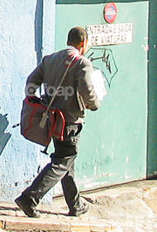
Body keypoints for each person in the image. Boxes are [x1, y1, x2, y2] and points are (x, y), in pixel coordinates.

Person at [15, 26, 101, 217]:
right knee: (63, 160)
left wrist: (37, 102)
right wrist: (94, 104)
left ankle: (75, 205)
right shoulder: (82, 63)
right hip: (71, 121)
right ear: (83, 43)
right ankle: (30, 198)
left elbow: (31, 82)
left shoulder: (50, 59)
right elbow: (87, 90)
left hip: (52, 119)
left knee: (66, 160)